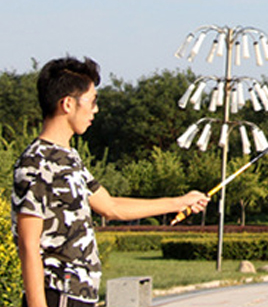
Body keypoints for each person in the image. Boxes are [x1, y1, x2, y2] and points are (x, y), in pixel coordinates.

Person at [11, 56, 209, 307]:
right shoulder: (36, 163)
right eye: (92, 102)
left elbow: (110, 206)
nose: (95, 110)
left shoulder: (69, 157)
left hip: (80, 296)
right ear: (68, 104)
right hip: (57, 296)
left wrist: (180, 202)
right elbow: (29, 244)